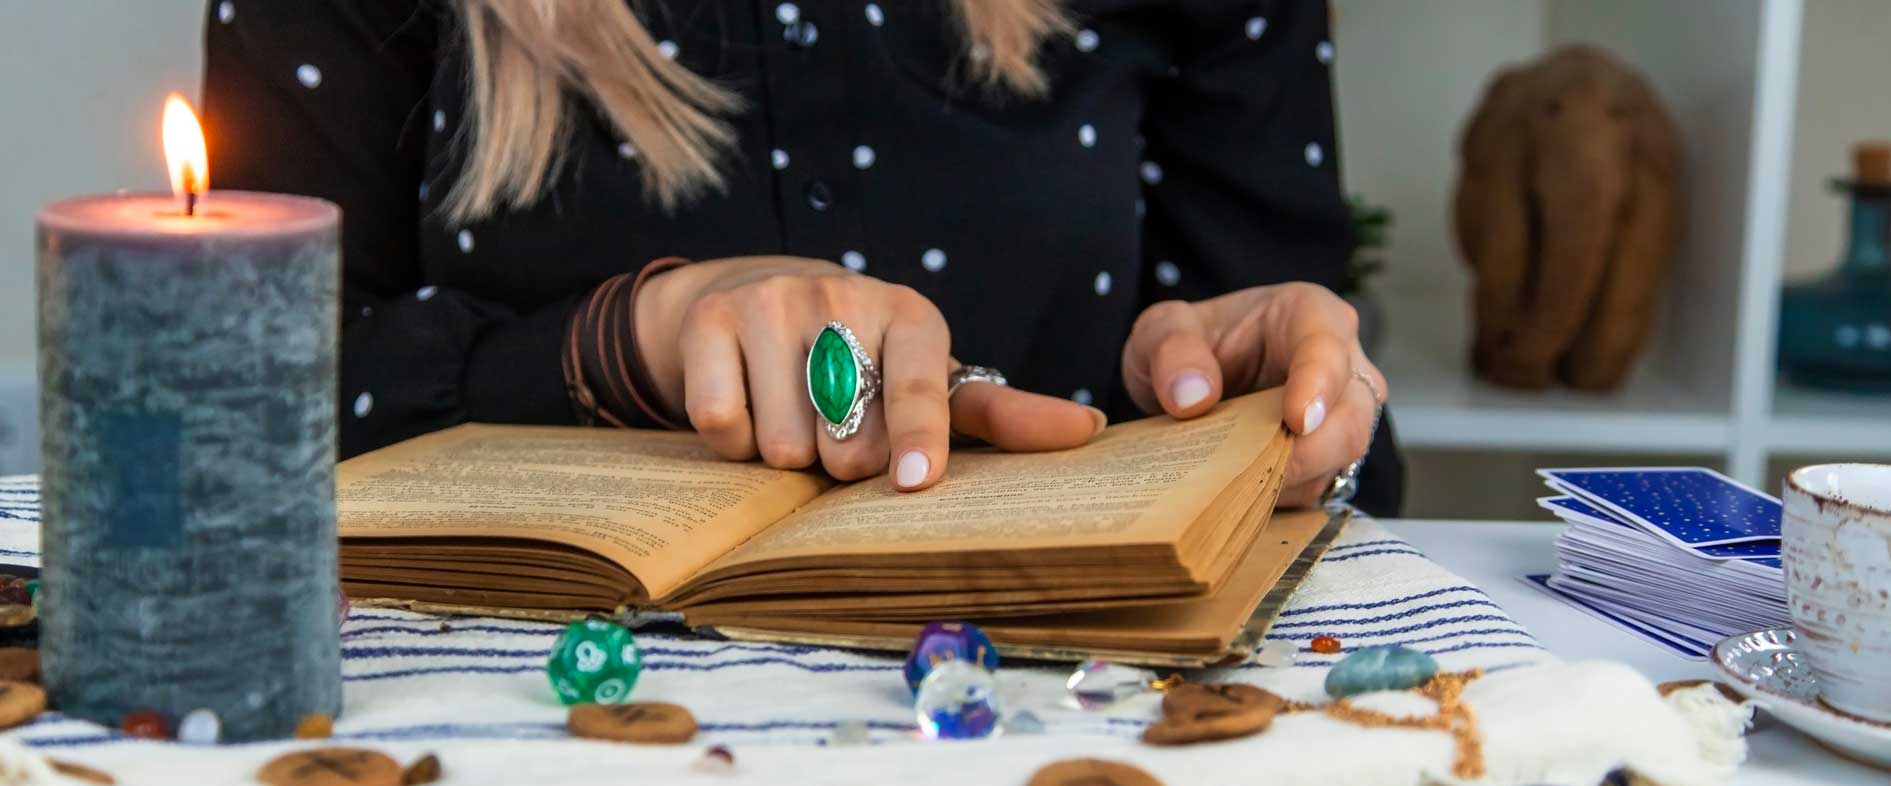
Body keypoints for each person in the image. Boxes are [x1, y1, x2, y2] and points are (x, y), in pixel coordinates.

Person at [202, 0, 1401, 513]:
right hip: (518, 728)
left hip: (1068, 713)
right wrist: (623, 345)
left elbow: (1355, 459)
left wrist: (1282, 421)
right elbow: (234, 430)